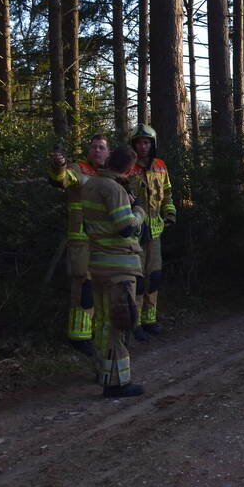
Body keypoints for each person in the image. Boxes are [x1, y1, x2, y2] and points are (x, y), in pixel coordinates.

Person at [82, 144, 147, 397]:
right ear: (129, 168)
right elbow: (125, 227)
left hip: (97, 264)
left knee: (102, 323)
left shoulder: (91, 185)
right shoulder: (114, 189)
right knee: (120, 323)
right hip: (118, 268)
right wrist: (139, 211)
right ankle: (118, 383)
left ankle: (103, 372)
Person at [49, 133, 110, 358]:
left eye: (102, 147)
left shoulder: (111, 176)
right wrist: (59, 166)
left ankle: (95, 333)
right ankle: (78, 336)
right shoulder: (78, 169)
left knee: (101, 291)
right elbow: (62, 179)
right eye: (94, 147)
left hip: (104, 244)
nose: (97, 151)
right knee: (83, 290)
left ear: (108, 153)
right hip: (82, 243)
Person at [126, 124, 177, 341]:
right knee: (136, 279)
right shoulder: (127, 168)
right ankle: (135, 322)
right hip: (134, 233)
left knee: (154, 277)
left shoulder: (160, 166)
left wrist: (170, 213)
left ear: (152, 144)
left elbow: (167, 194)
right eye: (138, 142)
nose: (142, 146)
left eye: (146, 142)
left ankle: (150, 319)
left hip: (155, 232)